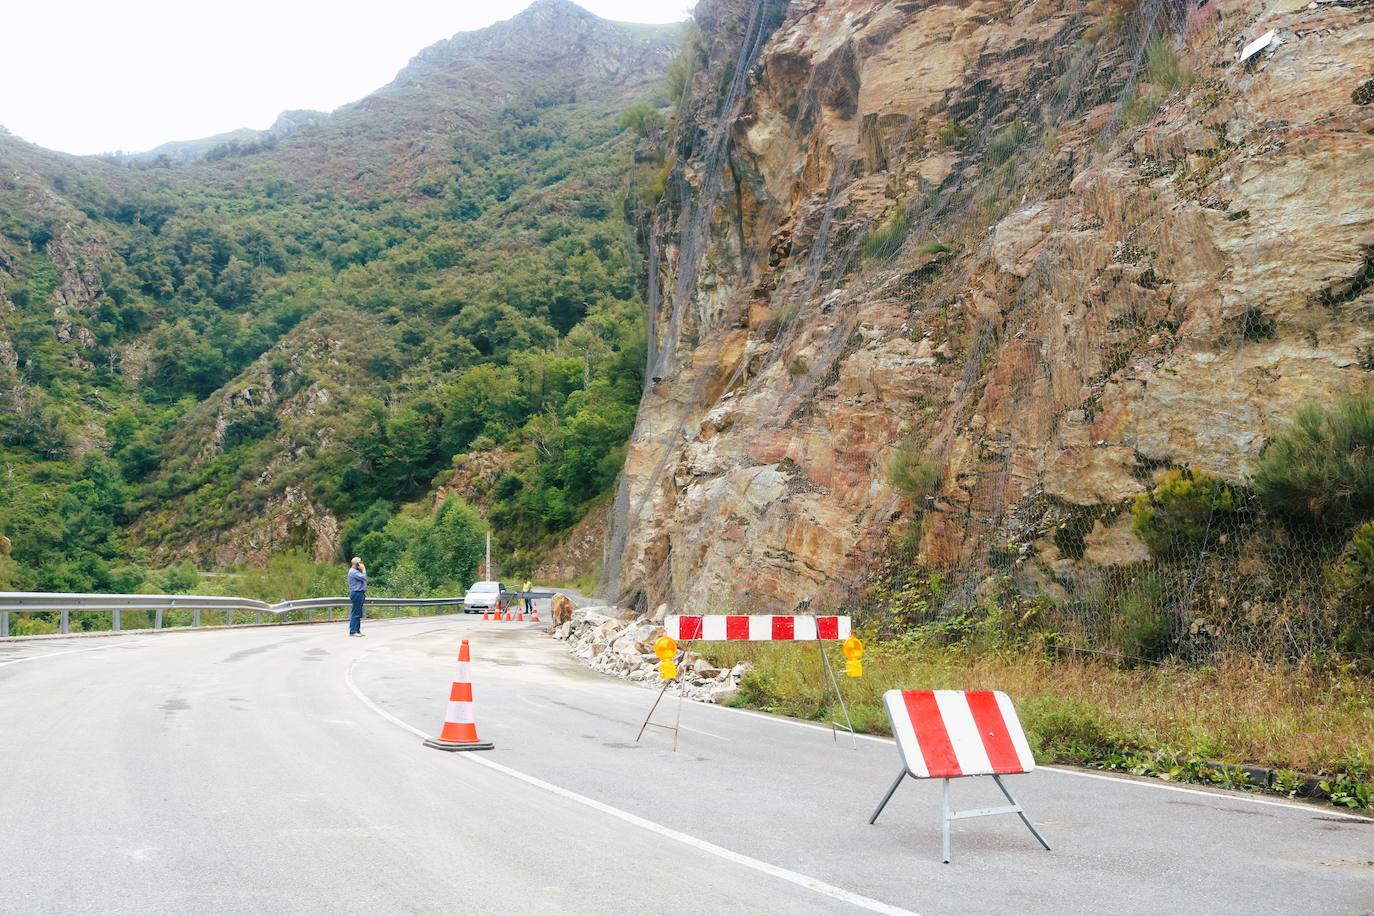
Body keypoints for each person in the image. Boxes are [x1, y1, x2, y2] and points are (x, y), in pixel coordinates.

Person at [347, 557, 367, 637]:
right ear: (357, 564)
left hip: (359, 593)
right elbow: (364, 577)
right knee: (355, 613)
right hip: (356, 593)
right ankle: (353, 631)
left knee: (358, 613)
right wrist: (364, 569)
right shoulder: (353, 572)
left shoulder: (356, 572)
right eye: (360, 563)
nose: (361, 564)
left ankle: (357, 630)